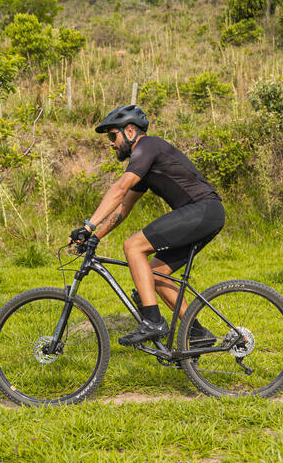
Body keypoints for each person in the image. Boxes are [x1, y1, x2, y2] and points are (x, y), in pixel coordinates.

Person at [69, 105, 225, 347]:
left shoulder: (147, 146)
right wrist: (95, 237)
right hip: (206, 214)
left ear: (130, 131)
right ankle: (197, 333)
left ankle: (153, 321)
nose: (111, 143)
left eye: (113, 135)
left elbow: (120, 189)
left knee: (133, 247)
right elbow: (124, 207)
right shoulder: (147, 161)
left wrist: (88, 225)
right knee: (156, 274)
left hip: (202, 210)